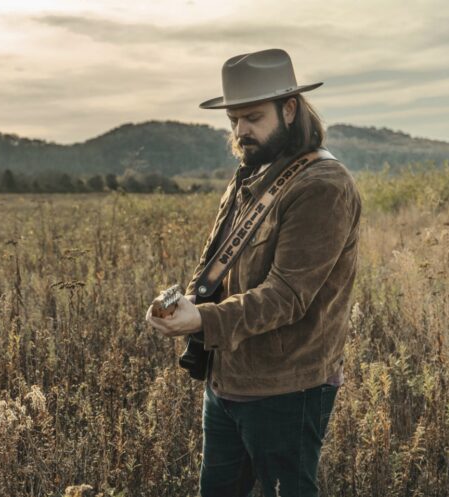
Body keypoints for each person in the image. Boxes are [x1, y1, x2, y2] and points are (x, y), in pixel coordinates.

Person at [145, 48, 362, 497]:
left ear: (289, 109)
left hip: (287, 388)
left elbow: (286, 295)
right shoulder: (253, 172)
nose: (241, 131)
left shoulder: (321, 185)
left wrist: (204, 320)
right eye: (234, 121)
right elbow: (218, 261)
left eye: (252, 118)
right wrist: (187, 303)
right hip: (227, 380)